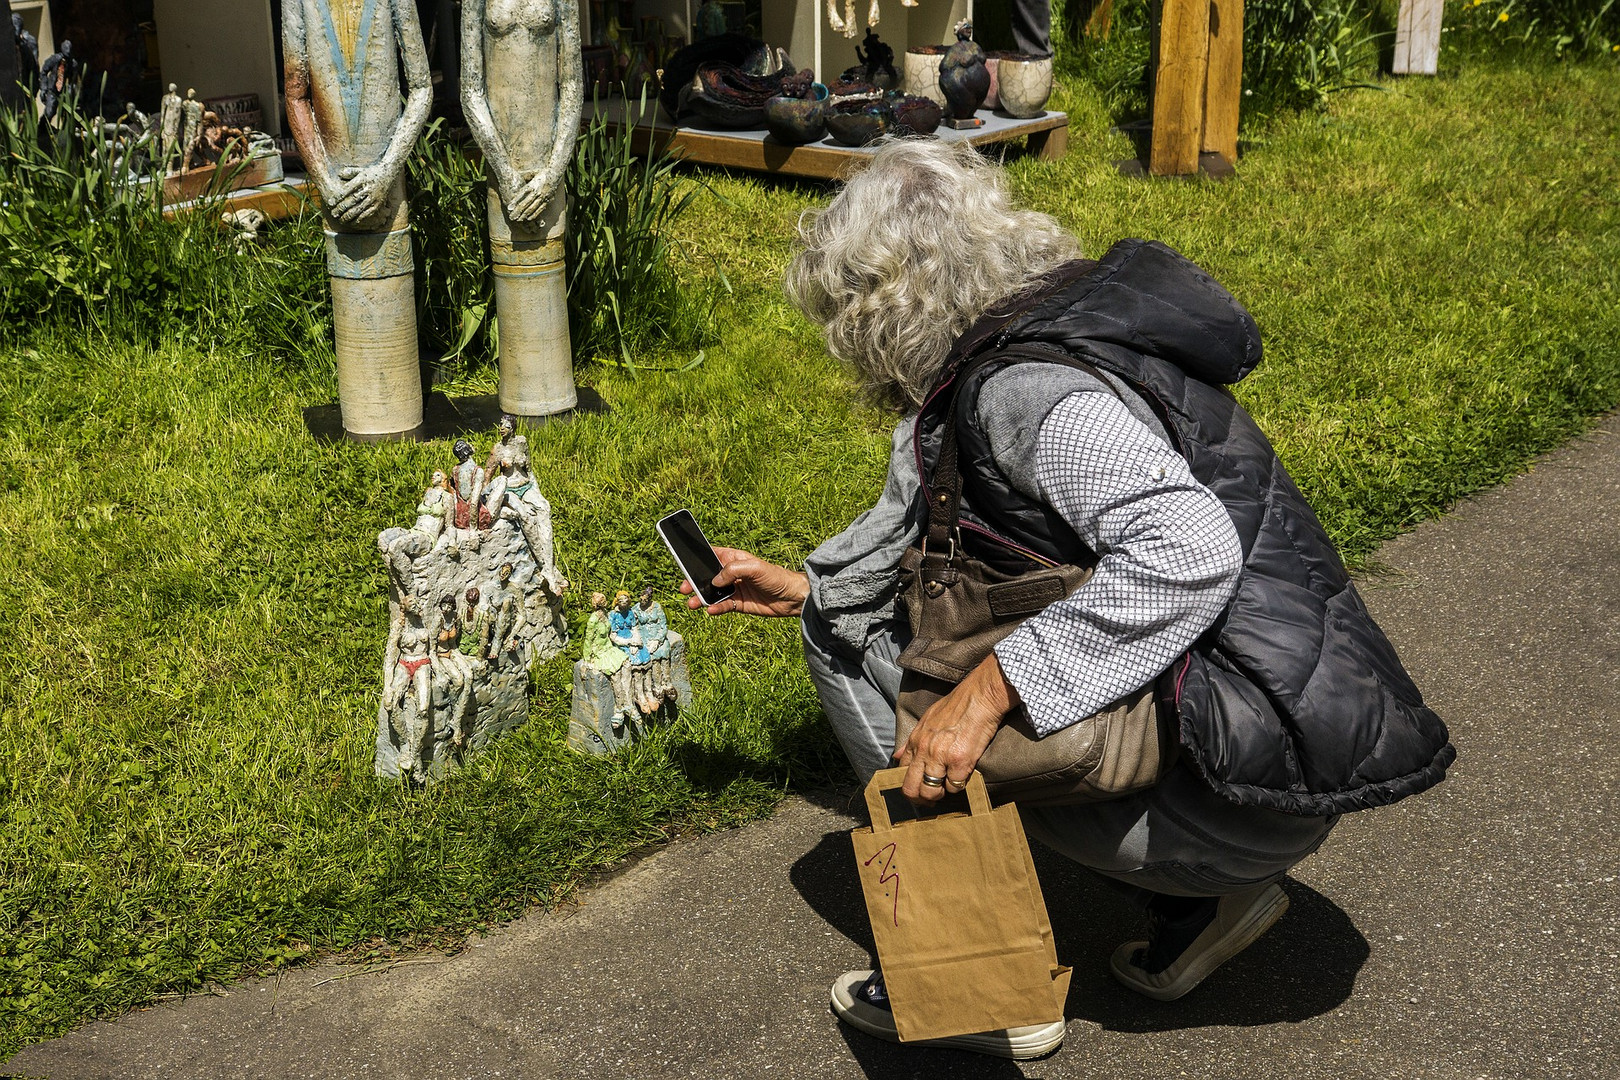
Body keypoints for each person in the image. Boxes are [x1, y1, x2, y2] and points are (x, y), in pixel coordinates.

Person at [680, 139, 1453, 1059]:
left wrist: (985, 693)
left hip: (1242, 802)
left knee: (841, 636)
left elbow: (1187, 546)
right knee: (845, 606)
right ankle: (1205, 907)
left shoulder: (1024, 393)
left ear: (877, 308)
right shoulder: (1083, 335)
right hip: (1278, 764)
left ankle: (979, 985)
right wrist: (809, 581)